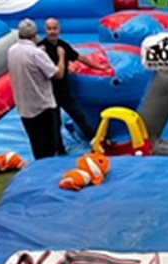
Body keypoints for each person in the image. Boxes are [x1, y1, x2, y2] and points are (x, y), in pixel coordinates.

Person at [39, 18, 110, 154]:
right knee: (55, 122)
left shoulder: (62, 45)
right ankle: (59, 148)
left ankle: (95, 140)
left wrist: (99, 66)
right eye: (49, 29)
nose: (52, 32)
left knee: (79, 116)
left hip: (64, 90)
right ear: (46, 30)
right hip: (49, 93)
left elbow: (79, 57)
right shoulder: (41, 48)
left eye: (55, 28)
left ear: (59, 29)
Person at [8, 19, 67, 160]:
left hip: (24, 107)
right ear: (34, 35)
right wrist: (61, 57)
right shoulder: (37, 54)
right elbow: (57, 74)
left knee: (36, 145)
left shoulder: (12, 51)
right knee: (49, 147)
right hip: (42, 106)